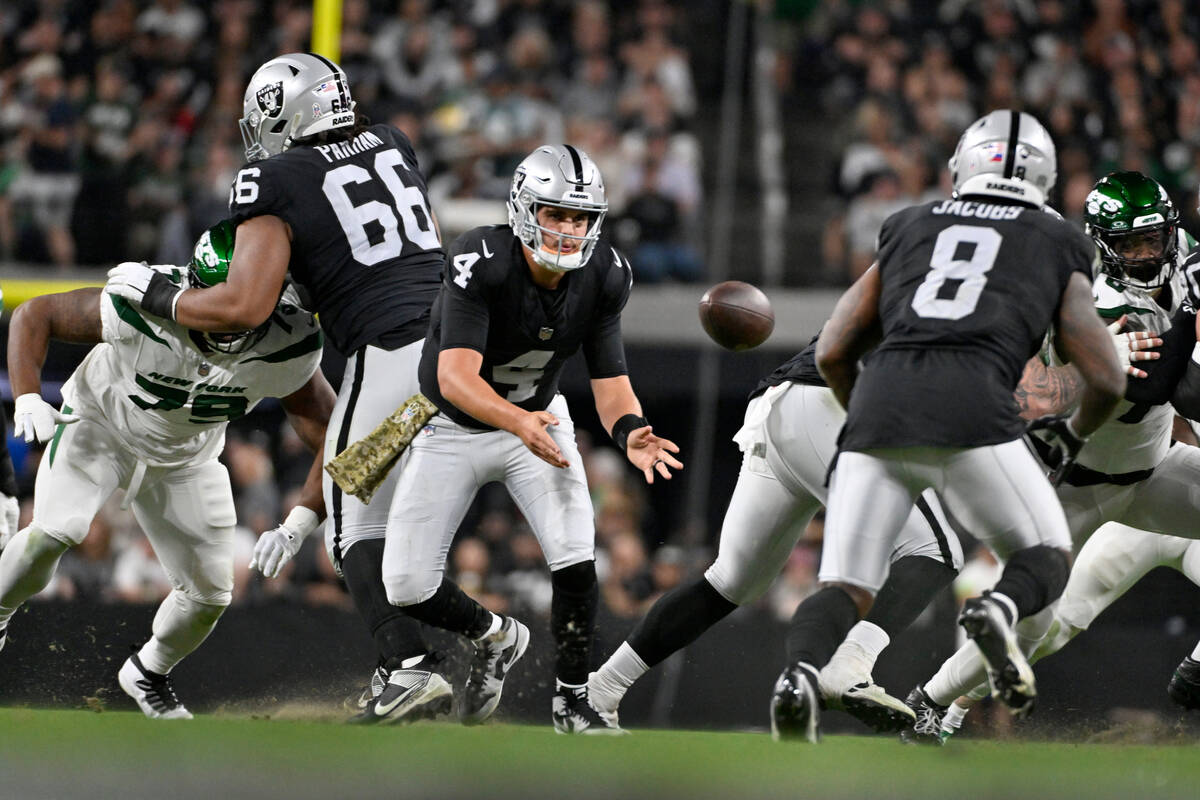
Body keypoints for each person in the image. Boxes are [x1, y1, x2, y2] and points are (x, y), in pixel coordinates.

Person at [105, 53, 449, 722]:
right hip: (457, 354)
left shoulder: (273, 178)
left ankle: (405, 669)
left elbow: (242, 306)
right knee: (361, 499)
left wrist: (157, 292)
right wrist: (294, 523)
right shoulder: (394, 142)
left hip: (393, 359)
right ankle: (490, 638)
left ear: (285, 112)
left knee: (351, 522)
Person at [768, 110, 1126, 743]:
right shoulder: (1057, 238)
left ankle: (796, 676)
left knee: (846, 585)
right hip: (973, 406)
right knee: (1044, 555)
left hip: (879, 402)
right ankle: (998, 606)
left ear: (964, 164)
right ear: (1042, 176)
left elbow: (831, 352)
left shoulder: (910, 222)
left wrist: (866, 419)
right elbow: (1107, 377)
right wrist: (1070, 435)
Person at [381, 144, 682, 734]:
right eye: (555, 214)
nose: (569, 230)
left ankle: (573, 699)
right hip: (450, 425)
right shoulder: (481, 258)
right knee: (407, 585)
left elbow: (612, 382)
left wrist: (628, 432)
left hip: (538, 417)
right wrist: (516, 422)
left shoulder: (605, 274)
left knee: (575, 556)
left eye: (580, 218)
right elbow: (454, 377)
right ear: (524, 209)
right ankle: (496, 636)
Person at [906, 171, 1200, 742]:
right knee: (1042, 626)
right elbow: (1169, 386)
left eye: (1154, 240)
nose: (1145, 255)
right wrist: (1191, 313)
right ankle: (931, 700)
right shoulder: (1098, 298)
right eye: (1130, 245)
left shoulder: (1181, 258)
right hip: (1075, 484)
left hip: (1152, 469)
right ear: (1102, 244)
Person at [0, 221, 334, 718]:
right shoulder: (142, 300)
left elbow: (334, 440)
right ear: (193, 285)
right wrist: (27, 394)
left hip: (186, 456)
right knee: (57, 528)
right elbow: (35, 314)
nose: (227, 324)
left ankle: (148, 671)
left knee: (211, 594)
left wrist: (303, 517)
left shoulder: (288, 343)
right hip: (102, 425)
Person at [587, 336, 967, 736]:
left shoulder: (917, 284)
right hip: (837, 402)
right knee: (935, 549)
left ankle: (602, 688)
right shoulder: (996, 299)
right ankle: (848, 666)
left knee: (730, 581)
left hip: (781, 405)